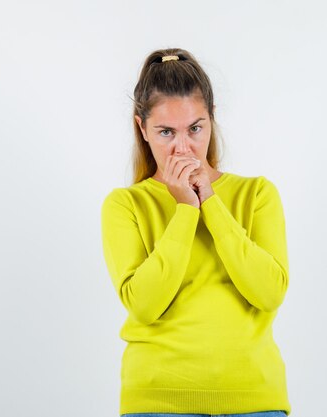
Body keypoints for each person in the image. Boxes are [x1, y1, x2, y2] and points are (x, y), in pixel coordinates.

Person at [100, 48, 291, 417]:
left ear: (212, 120)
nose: (183, 147)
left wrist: (211, 203)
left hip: (255, 399)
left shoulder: (257, 194)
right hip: (158, 401)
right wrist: (185, 209)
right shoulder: (125, 205)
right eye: (166, 132)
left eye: (195, 129)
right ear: (142, 128)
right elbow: (144, 305)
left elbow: (269, 294)